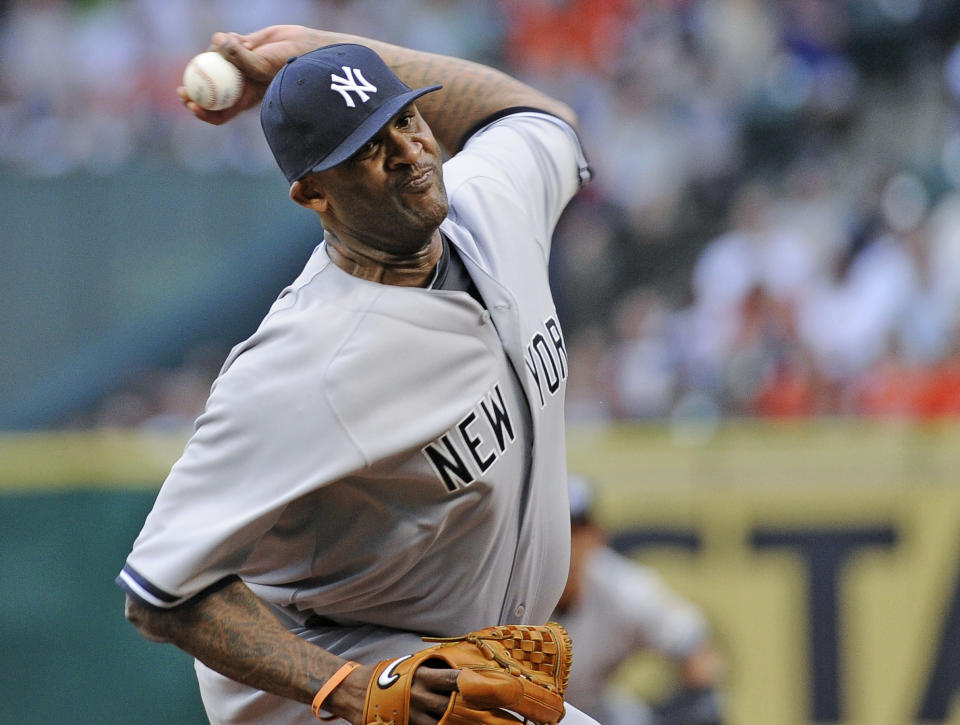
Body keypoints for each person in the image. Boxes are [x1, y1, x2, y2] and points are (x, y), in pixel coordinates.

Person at [116, 23, 594, 725]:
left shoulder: (493, 201)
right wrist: (350, 687)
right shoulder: (304, 362)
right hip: (327, 680)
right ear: (313, 193)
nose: (407, 153)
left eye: (405, 120)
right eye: (369, 149)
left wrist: (314, 50)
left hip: (451, 663)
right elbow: (161, 590)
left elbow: (539, 119)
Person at [553, 475, 725, 725]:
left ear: (598, 537)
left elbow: (699, 655)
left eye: (576, 530)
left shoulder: (624, 591)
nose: (567, 542)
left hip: (589, 711)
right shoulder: (511, 587)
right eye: (557, 529)